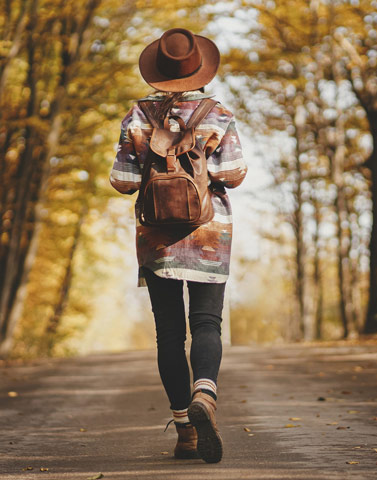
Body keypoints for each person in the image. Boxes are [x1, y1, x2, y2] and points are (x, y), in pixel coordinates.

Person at [109, 28, 247, 464]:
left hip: (156, 239)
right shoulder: (217, 114)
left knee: (169, 333)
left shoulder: (136, 116)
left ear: (157, 72)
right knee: (207, 323)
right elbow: (235, 173)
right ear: (199, 68)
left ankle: (186, 431)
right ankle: (204, 391)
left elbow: (124, 181)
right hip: (209, 235)